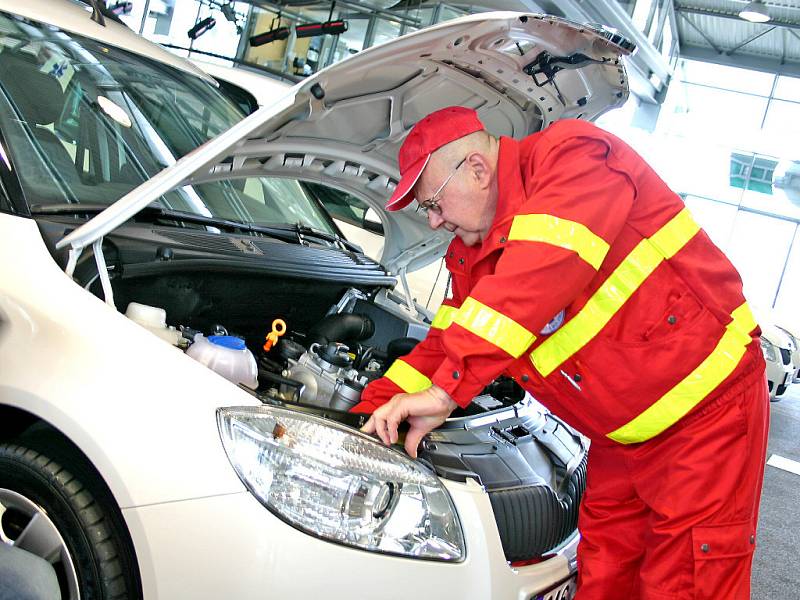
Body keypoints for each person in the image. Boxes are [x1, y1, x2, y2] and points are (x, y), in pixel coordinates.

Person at [352, 106, 769, 599]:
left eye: (434, 203)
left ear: (479, 170)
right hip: (617, 440)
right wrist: (367, 415)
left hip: (706, 421)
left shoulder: (575, 157)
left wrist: (447, 392)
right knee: (603, 576)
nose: (436, 221)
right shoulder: (473, 254)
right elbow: (442, 345)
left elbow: (539, 273)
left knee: (685, 585)